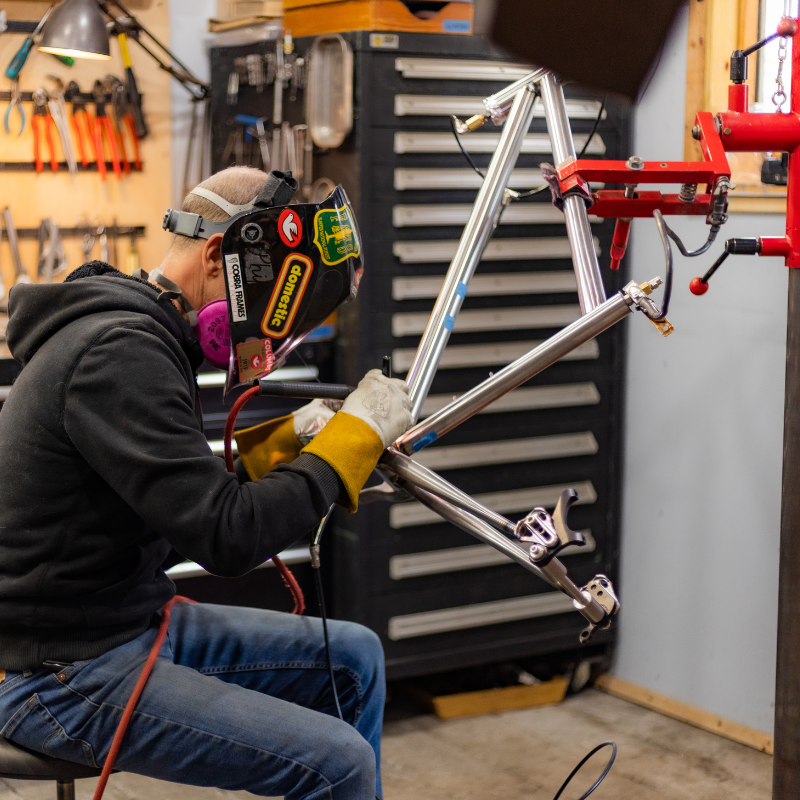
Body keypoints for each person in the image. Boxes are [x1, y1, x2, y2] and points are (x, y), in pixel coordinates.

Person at [0, 166, 413, 800]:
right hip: (53, 672)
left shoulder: (143, 335)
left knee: (353, 658)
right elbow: (226, 538)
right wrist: (348, 445)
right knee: (339, 763)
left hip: (120, 625)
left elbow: (176, 510)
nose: (269, 332)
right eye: (272, 293)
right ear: (220, 255)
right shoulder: (119, 349)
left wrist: (281, 448)